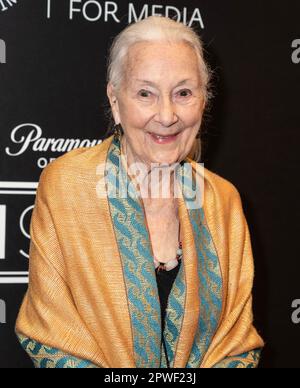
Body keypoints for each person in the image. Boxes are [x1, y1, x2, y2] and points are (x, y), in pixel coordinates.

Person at [15, 16, 264, 368]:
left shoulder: (223, 200)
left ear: (203, 102)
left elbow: (237, 342)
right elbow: (49, 331)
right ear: (116, 101)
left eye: (183, 93)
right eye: (145, 93)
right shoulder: (66, 185)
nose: (166, 115)